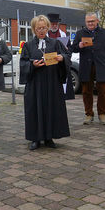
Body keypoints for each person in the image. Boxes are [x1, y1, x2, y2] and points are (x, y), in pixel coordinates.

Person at [19, 15, 71, 150]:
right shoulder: (28, 45)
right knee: (35, 109)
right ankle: (35, 138)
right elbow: (23, 63)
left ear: (47, 28)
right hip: (35, 84)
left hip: (52, 83)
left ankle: (49, 137)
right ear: (34, 30)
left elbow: (67, 56)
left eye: (43, 28)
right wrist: (32, 65)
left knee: (51, 108)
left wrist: (62, 58)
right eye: (38, 28)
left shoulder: (55, 43)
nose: (41, 31)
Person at [71, 13, 105, 125]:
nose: (90, 23)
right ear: (85, 22)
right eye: (88, 22)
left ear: (97, 21)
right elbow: (73, 48)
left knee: (103, 91)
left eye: (92, 21)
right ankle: (89, 114)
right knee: (86, 91)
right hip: (86, 67)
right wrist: (80, 46)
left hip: (101, 66)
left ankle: (102, 114)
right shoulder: (80, 33)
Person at [46, 13, 75, 100]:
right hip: (49, 66)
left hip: (60, 66)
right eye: (52, 24)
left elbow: (69, 51)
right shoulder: (44, 35)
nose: (54, 26)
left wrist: (65, 52)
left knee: (61, 92)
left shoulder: (64, 35)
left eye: (56, 24)